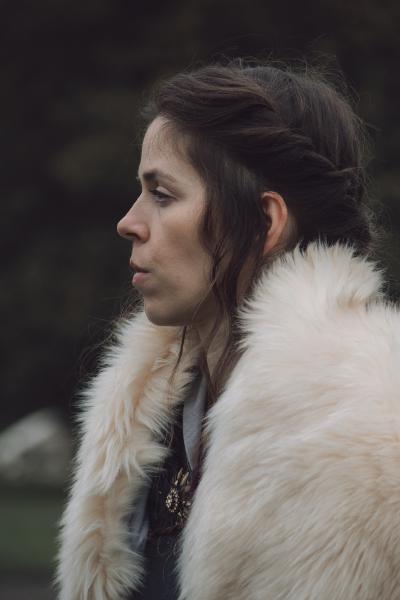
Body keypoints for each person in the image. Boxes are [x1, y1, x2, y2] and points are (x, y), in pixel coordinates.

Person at [56, 59, 400, 600]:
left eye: (162, 195)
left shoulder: (372, 434)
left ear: (265, 223)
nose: (129, 222)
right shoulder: (141, 419)